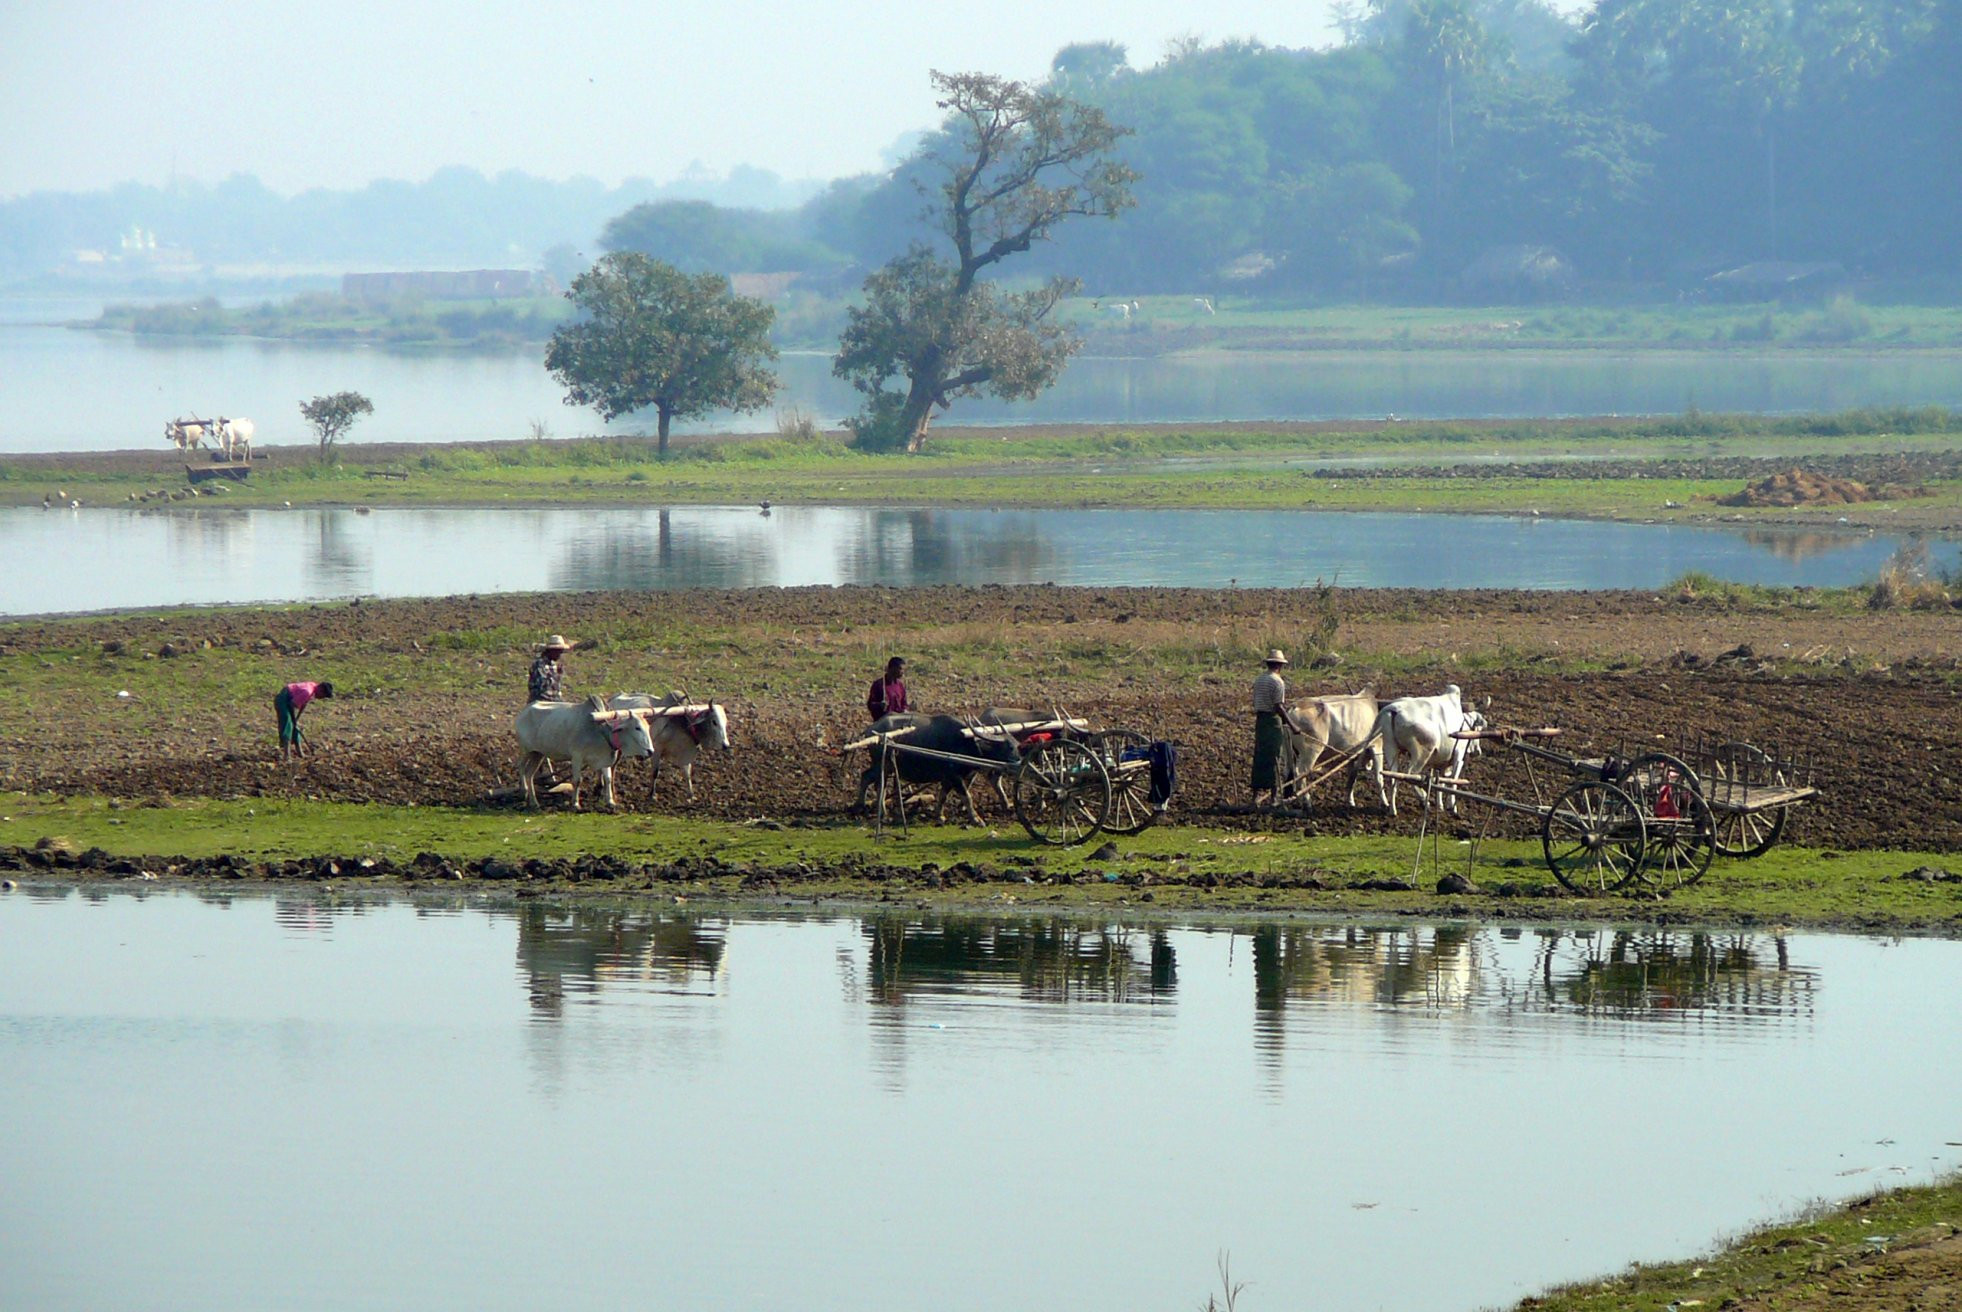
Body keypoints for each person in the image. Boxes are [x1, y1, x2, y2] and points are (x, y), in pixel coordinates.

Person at [1251, 649, 1289, 806]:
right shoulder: (1278, 682)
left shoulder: (1259, 680)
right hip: (1273, 722)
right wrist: (1291, 725)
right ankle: (1274, 797)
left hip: (1260, 721)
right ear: (1279, 666)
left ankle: (1255, 796)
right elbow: (1279, 706)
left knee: (1260, 757)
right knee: (1274, 757)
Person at [274, 680, 333, 761]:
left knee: (295, 727)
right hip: (283, 700)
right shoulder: (307, 691)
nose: (321, 698)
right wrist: (293, 720)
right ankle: (287, 755)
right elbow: (291, 704)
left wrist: (297, 719)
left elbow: (304, 704)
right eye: (323, 696)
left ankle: (300, 753)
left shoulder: (312, 687)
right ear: (320, 689)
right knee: (288, 726)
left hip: (289, 700)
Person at [529, 634, 573, 703]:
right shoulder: (539, 664)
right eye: (558, 652)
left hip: (554, 700)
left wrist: (559, 675)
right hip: (540, 701)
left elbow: (556, 687)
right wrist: (556, 676)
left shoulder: (553, 665)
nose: (560, 655)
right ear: (551, 651)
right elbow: (541, 686)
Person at [867, 656, 908, 721]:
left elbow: (904, 703)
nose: (902, 672)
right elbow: (870, 705)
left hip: (898, 721)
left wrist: (904, 710)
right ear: (892, 668)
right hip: (883, 722)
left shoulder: (900, 685)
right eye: (900, 669)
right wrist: (879, 705)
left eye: (903, 670)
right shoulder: (879, 684)